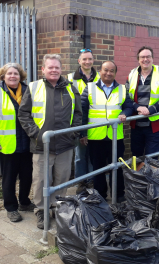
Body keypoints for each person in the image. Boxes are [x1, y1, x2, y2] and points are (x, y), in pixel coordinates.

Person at [18, 54, 82, 229]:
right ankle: (41, 210)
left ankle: (58, 207)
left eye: (57, 67)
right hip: (41, 145)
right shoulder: (33, 87)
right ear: (43, 69)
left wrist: (73, 133)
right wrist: (36, 134)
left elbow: (78, 113)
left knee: (62, 178)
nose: (54, 70)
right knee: (41, 180)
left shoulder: (71, 87)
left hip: (65, 144)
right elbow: (23, 114)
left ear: (61, 69)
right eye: (50, 67)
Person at [0, 63, 35, 223]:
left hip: (27, 144)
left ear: (21, 76)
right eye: (9, 74)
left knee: (27, 177)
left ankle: (24, 202)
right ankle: (11, 208)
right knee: (9, 178)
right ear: (3, 76)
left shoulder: (28, 92)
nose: (13, 76)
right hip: (7, 145)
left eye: (16, 74)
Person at [81, 61, 133, 201]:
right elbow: (83, 110)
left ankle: (119, 195)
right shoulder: (90, 88)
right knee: (98, 168)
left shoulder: (122, 89)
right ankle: (101, 196)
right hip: (95, 136)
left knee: (117, 166)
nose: (108, 73)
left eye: (111, 71)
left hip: (116, 136)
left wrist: (125, 113)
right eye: (105, 70)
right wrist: (83, 133)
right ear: (100, 71)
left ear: (115, 73)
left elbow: (129, 106)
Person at [126, 46, 159, 158]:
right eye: (142, 57)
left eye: (148, 56)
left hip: (155, 122)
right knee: (136, 154)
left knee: (152, 156)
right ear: (138, 59)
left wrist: (150, 110)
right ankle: (137, 176)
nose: (145, 59)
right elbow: (126, 97)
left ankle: (150, 176)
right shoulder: (131, 75)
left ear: (152, 58)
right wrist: (137, 107)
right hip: (136, 122)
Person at [67, 48, 100, 192]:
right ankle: (81, 182)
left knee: (93, 154)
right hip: (78, 122)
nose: (87, 62)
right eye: (84, 59)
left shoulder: (100, 77)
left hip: (95, 122)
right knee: (80, 155)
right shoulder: (70, 78)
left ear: (93, 61)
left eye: (90, 59)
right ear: (79, 61)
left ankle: (92, 181)